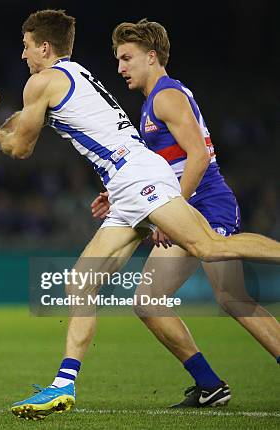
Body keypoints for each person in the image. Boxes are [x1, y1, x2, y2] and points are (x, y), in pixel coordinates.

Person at [0, 9, 280, 421]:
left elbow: (21, 147)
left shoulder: (50, 81)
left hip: (151, 185)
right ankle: (64, 383)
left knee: (211, 253)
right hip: (129, 185)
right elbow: (39, 121)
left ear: (44, 47)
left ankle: (210, 381)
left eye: (27, 46)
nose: (22, 54)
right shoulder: (77, 75)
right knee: (82, 284)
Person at [87, 18, 280, 408]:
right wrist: (119, 193)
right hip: (188, 201)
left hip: (206, 201)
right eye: (118, 59)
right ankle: (210, 386)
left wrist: (173, 207)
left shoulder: (165, 96)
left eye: (127, 58)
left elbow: (199, 155)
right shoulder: (152, 101)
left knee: (230, 297)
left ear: (152, 56)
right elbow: (160, 164)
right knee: (175, 300)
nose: (120, 67)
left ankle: (210, 386)